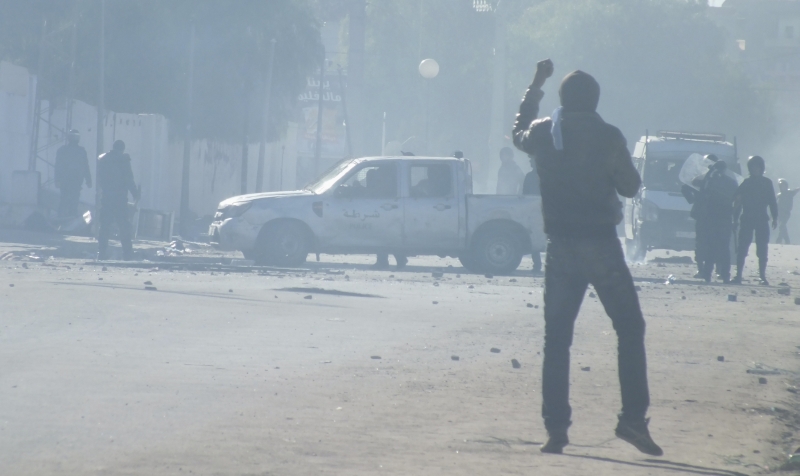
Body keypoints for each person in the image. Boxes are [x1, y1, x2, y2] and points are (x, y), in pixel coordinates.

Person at [513, 59, 661, 456]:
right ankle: (632, 420)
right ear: (595, 100)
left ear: (563, 99)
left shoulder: (543, 133)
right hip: (601, 246)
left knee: (557, 339)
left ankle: (556, 430)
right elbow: (630, 187)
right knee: (629, 328)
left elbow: (517, 131)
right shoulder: (608, 136)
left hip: (560, 247)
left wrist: (536, 82)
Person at [732, 156, 778, 285]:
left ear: (761, 168)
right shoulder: (746, 183)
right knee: (742, 248)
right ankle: (738, 275)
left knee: (762, 249)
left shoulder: (767, 183)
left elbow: (772, 201)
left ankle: (762, 276)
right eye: (752, 167)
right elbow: (738, 202)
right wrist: (734, 219)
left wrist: (775, 217)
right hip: (747, 218)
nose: (755, 169)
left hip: (762, 219)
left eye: (757, 167)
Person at [695, 158, 738, 283]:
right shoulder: (731, 182)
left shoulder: (710, 180)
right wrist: (735, 219)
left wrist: (709, 173)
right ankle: (725, 275)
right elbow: (737, 200)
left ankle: (707, 275)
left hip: (712, 218)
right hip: (725, 218)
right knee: (724, 248)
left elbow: (696, 183)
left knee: (711, 247)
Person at [97, 140, 140, 260]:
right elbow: (129, 179)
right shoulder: (123, 160)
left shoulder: (103, 159)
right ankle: (127, 253)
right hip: (120, 199)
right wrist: (135, 193)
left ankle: (101, 252)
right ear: (122, 149)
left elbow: (100, 179)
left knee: (104, 226)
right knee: (124, 226)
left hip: (106, 198)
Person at [54, 129, 92, 217]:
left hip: (66, 181)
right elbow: (85, 166)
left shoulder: (62, 150)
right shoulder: (81, 151)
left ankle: (62, 217)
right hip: (76, 180)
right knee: (73, 201)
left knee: (64, 199)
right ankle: (70, 217)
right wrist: (88, 180)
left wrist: (57, 180)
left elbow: (58, 167)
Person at [522, 155, 543, 273]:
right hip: (537, 210)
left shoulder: (532, 176)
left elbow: (524, 194)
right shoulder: (542, 175)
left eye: (532, 160)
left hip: (536, 210)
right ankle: (537, 264)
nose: (530, 162)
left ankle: (537, 264)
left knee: (534, 235)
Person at [776, 179, 799, 244]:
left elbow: (796, 190)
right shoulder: (779, 195)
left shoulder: (790, 193)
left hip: (786, 213)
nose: (783, 187)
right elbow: (776, 204)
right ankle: (787, 241)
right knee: (783, 227)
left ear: (786, 186)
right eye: (781, 186)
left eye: (784, 186)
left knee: (782, 225)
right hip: (779, 213)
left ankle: (779, 239)